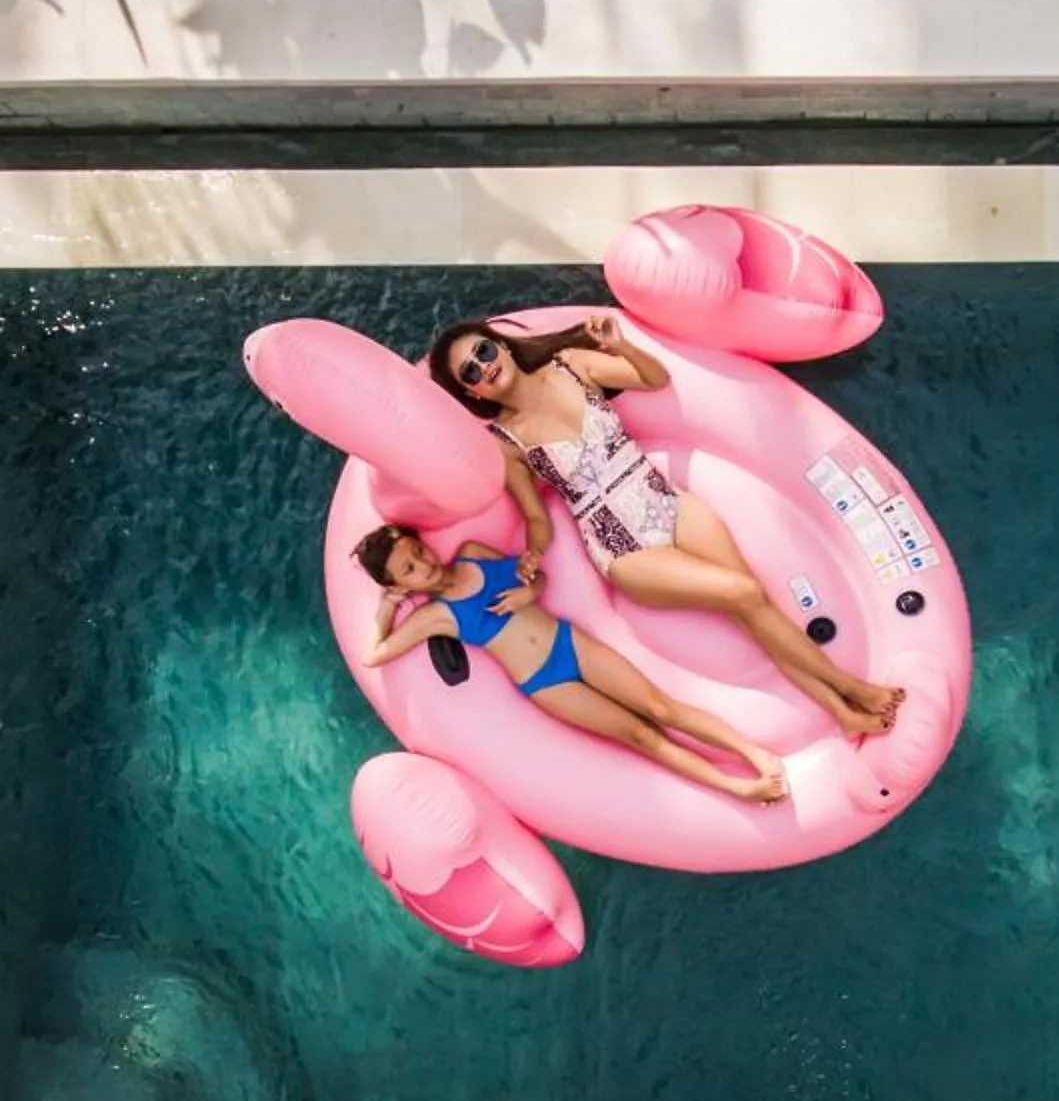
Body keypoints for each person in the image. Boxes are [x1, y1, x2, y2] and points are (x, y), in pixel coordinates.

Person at [424, 312, 906, 739]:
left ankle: (841, 715)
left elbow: (652, 379)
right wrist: (533, 552)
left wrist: (621, 346)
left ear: (501, 345)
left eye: (483, 351)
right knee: (746, 595)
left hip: (663, 498)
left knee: (751, 605)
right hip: (622, 546)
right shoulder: (506, 442)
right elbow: (534, 514)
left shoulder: (571, 363)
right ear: (472, 391)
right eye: (471, 371)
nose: (484, 365)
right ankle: (851, 689)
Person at [355, 523, 788, 805]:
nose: (424, 564)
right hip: (545, 682)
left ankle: (754, 753)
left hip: (570, 642)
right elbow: (374, 655)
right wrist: (385, 609)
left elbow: (532, 577)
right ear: (399, 584)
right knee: (641, 735)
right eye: (409, 569)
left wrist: (530, 591)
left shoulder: (473, 553)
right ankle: (739, 788)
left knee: (660, 707)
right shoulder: (434, 616)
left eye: (419, 551)